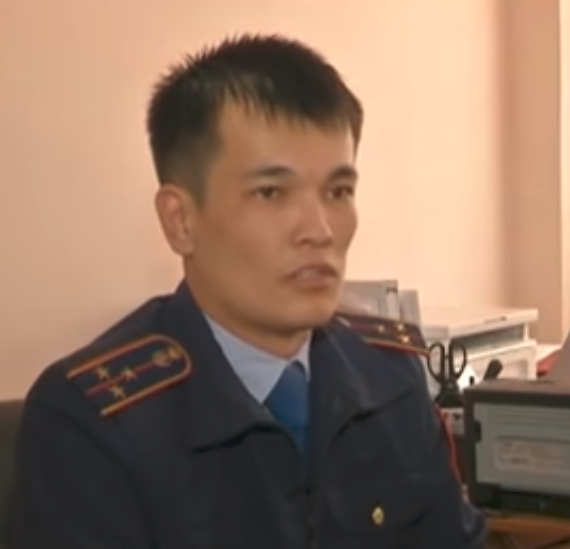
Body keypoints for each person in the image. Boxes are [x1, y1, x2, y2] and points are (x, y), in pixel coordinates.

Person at [5, 34, 486, 549]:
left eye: (338, 191)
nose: (320, 230)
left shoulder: (389, 373)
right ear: (180, 220)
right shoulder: (92, 420)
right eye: (271, 193)